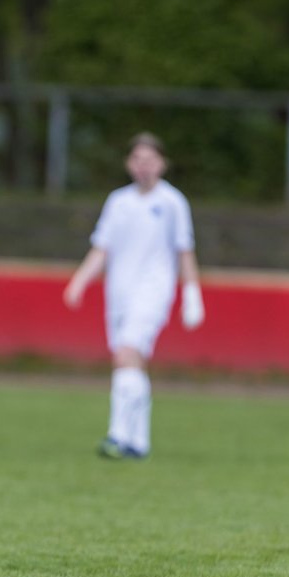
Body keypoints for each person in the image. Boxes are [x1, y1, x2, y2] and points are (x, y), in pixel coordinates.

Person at [63, 132, 204, 459]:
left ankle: (118, 434)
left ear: (162, 164)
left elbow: (185, 251)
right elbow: (102, 248)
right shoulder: (118, 202)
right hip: (119, 294)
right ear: (129, 164)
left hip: (153, 291)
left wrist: (192, 293)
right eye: (138, 160)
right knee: (132, 362)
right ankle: (138, 442)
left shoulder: (172, 203)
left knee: (125, 354)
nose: (144, 167)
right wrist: (80, 281)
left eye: (151, 161)